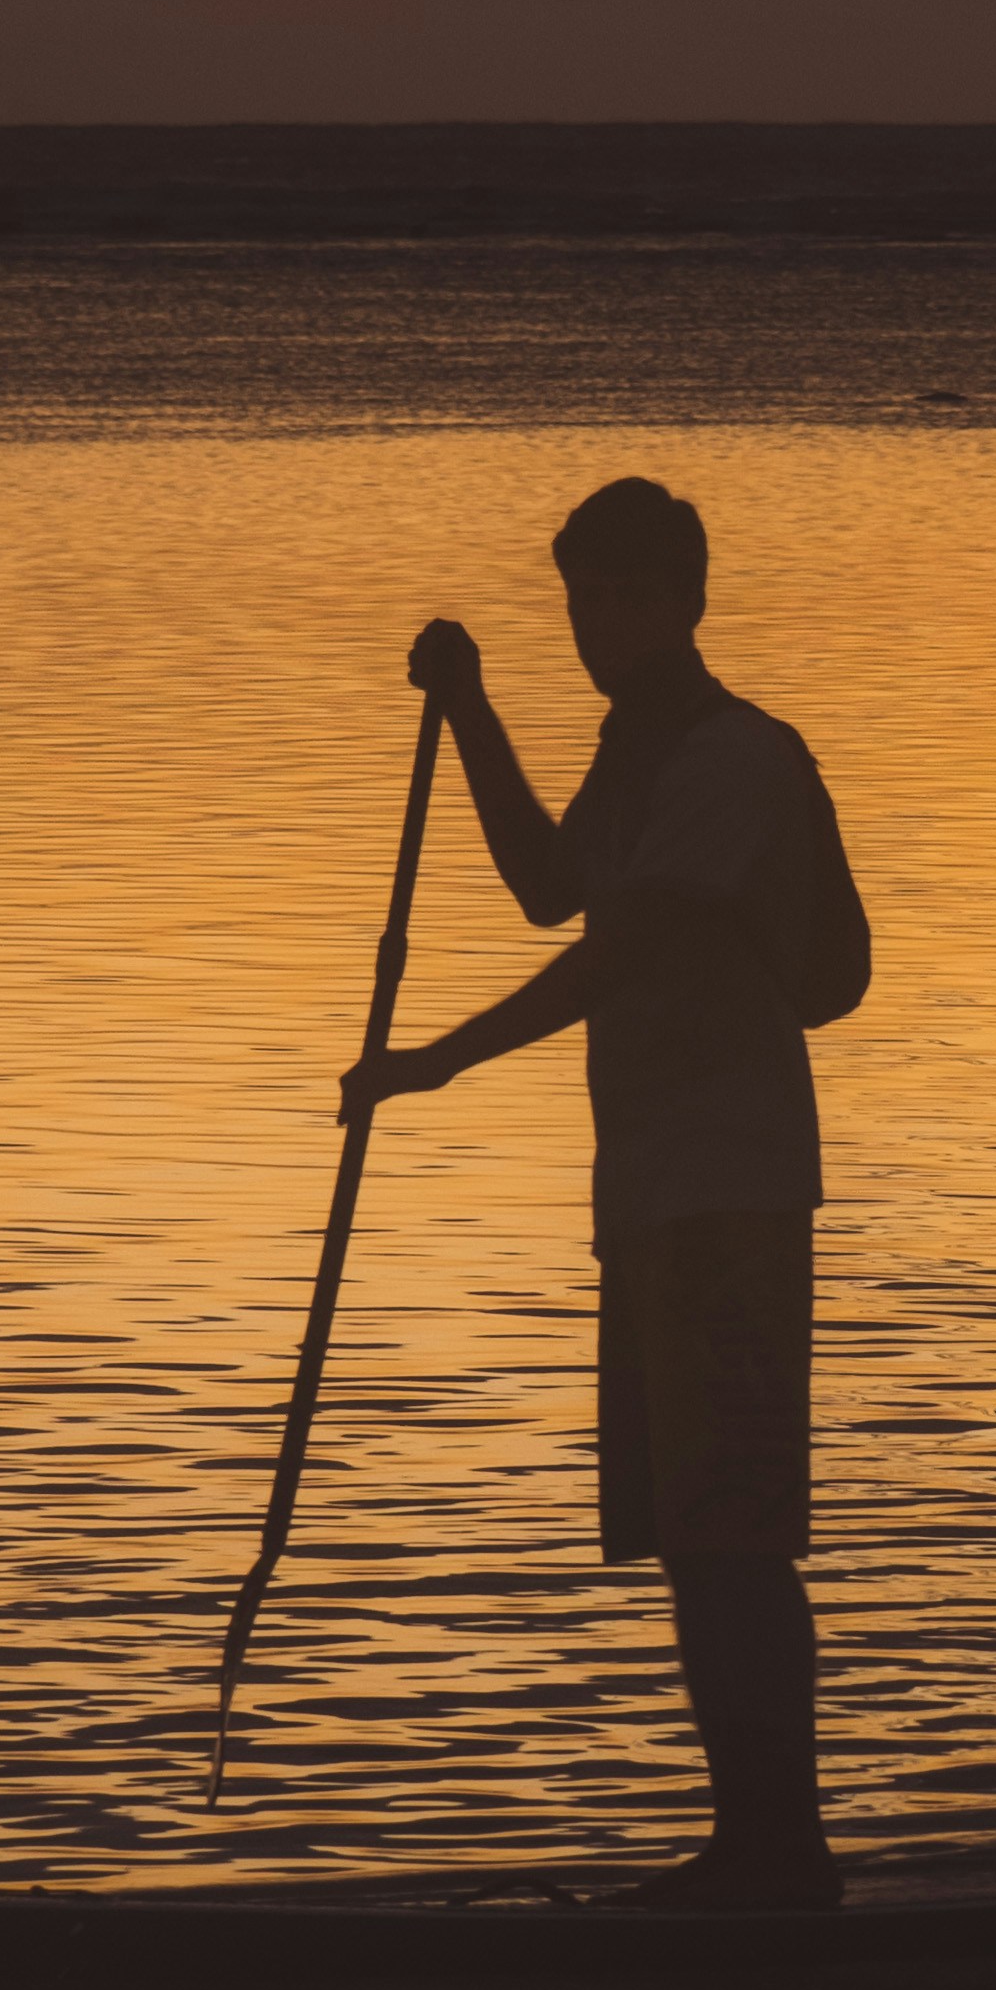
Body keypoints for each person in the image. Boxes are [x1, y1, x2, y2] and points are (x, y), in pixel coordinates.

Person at [339, 474, 870, 1912]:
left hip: (729, 1183)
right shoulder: (635, 758)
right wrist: (466, 712)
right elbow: (545, 888)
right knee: (689, 1527)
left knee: (734, 1523)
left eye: (608, 600)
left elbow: (632, 950)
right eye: (575, 601)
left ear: (672, 602)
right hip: (646, 1187)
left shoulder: (735, 758)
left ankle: (780, 1857)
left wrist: (435, 1062)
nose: (588, 627)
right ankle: (750, 1850)